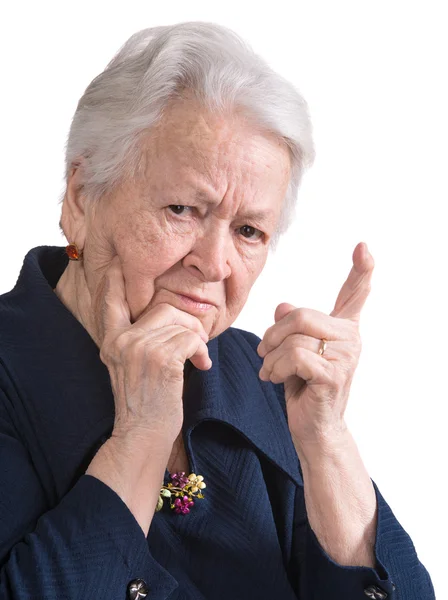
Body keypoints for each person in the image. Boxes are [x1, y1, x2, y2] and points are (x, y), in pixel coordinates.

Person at [0, 21, 435, 600]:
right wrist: (140, 438)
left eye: (250, 231)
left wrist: (327, 442)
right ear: (81, 198)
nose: (215, 263)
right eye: (182, 208)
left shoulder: (262, 377)